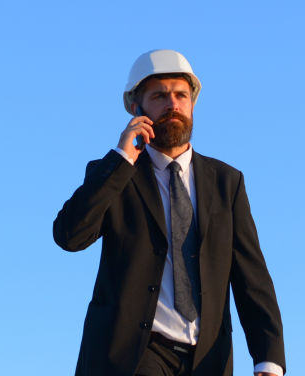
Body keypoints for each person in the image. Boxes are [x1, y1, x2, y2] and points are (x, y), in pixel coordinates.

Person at [53, 49, 286, 376]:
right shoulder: (115, 175)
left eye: (181, 95)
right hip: (133, 357)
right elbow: (70, 236)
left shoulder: (226, 182)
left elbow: (252, 276)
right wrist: (122, 157)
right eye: (159, 96)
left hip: (207, 360)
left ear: (192, 104)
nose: (172, 104)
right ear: (137, 109)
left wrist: (269, 358)